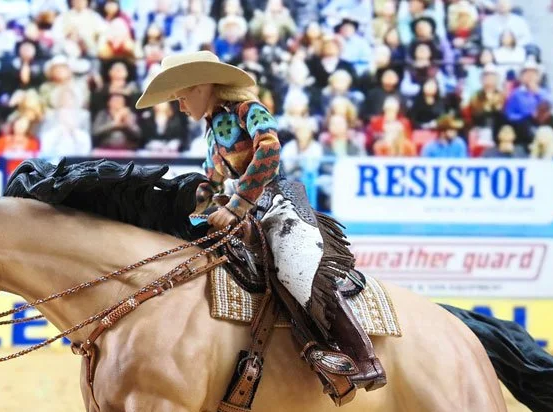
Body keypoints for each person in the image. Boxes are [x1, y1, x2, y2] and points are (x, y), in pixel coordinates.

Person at [135, 50, 386, 393]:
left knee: (295, 269)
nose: (180, 106)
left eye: (181, 97)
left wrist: (238, 204)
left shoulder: (248, 110)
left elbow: (269, 151)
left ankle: (362, 357)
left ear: (201, 87)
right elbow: (211, 182)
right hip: (243, 209)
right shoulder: (211, 131)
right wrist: (182, 207)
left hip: (278, 202)